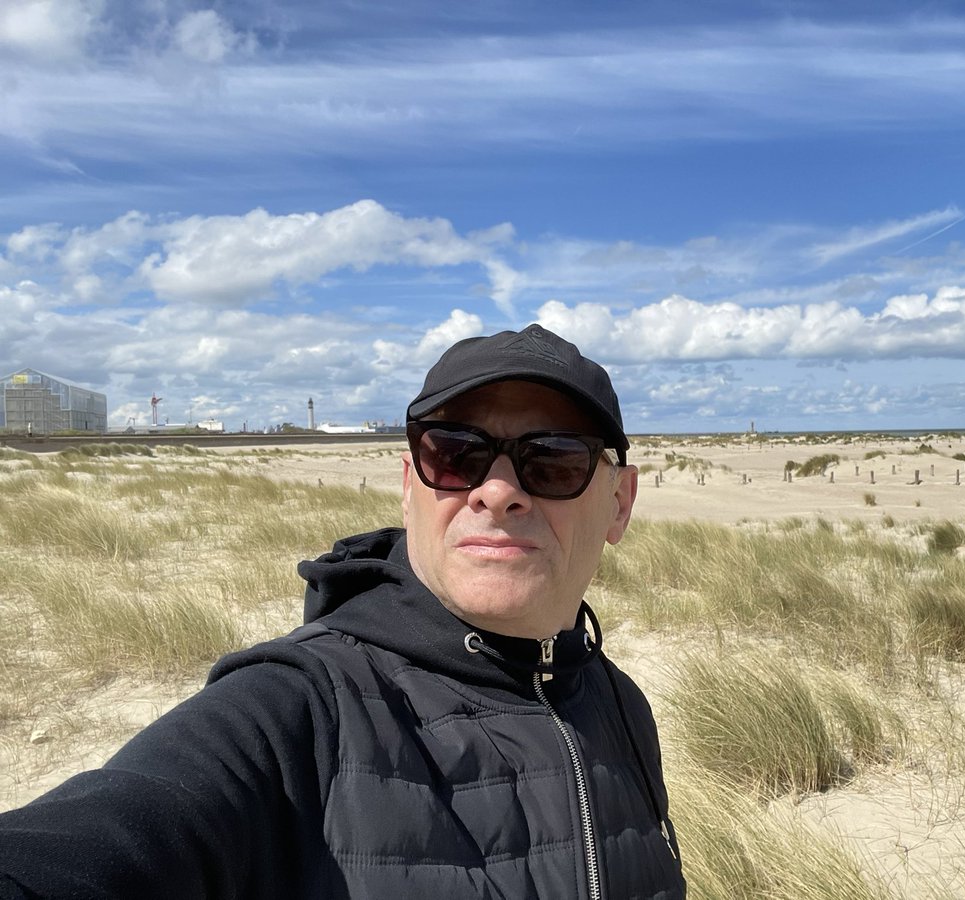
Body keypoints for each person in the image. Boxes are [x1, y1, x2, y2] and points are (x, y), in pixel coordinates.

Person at [0, 324, 686, 899]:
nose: (497, 492)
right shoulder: (296, 709)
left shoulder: (619, 704)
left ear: (621, 502)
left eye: (554, 460)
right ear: (408, 484)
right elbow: (103, 839)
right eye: (455, 455)